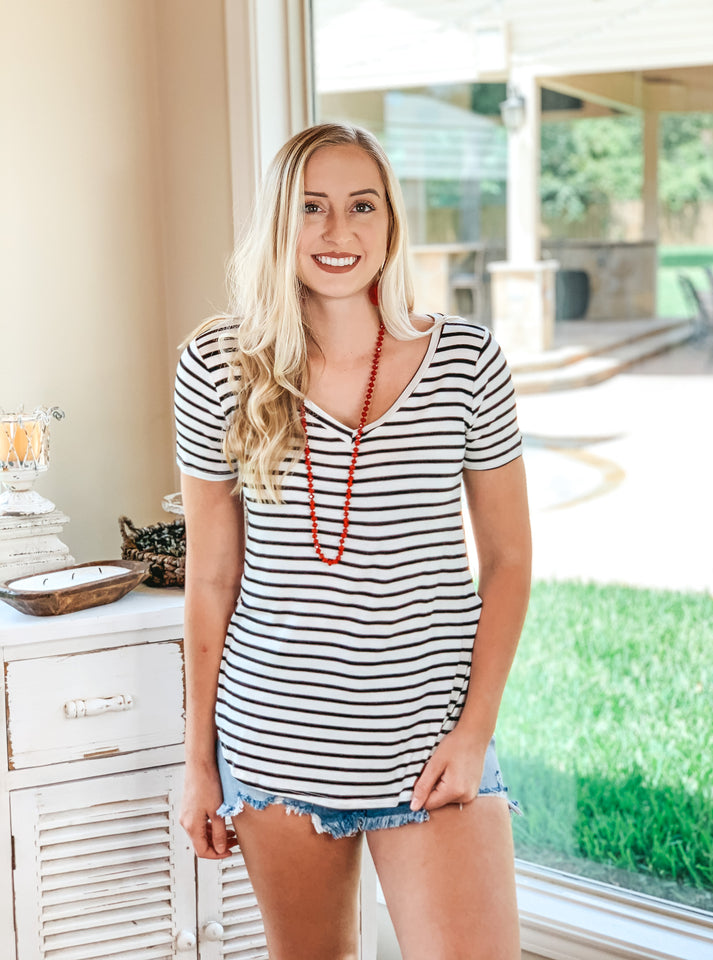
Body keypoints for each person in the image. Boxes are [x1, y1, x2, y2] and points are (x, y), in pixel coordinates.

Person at [175, 122, 531, 960]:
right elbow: (212, 577)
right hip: (277, 742)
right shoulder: (218, 365)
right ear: (280, 221)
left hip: (432, 743)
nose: (339, 232)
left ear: (391, 220)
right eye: (313, 208)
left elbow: (509, 562)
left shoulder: (467, 361)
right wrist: (198, 764)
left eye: (361, 206)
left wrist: (474, 732)